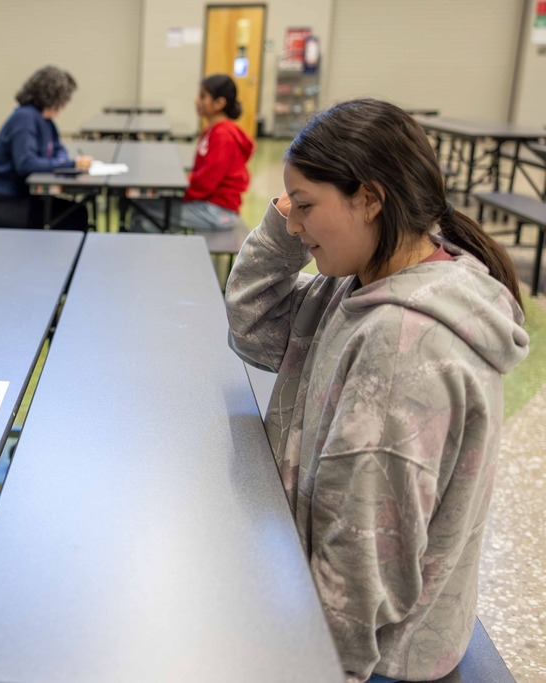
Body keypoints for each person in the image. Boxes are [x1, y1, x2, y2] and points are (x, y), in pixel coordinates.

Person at [224, 98, 527, 682]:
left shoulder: (403, 346)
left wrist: (309, 668)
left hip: (373, 655)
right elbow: (255, 329)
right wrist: (286, 229)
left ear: (369, 198)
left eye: (306, 207)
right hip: (341, 608)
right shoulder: (367, 279)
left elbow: (366, 564)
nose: (292, 223)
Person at [130, 74, 254, 232]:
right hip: (206, 204)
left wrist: (180, 192)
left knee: (142, 210)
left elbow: (206, 182)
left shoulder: (223, 135)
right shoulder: (211, 130)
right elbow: (201, 176)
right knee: (143, 215)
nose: (197, 101)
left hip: (218, 211)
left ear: (219, 103)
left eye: (203, 97)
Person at [0, 65, 93, 230]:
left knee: (78, 211)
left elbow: (59, 149)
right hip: (2, 203)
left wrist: (62, 160)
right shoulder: (24, 118)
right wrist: (70, 164)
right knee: (74, 215)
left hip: (23, 198)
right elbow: (26, 164)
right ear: (54, 98)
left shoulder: (46, 121)